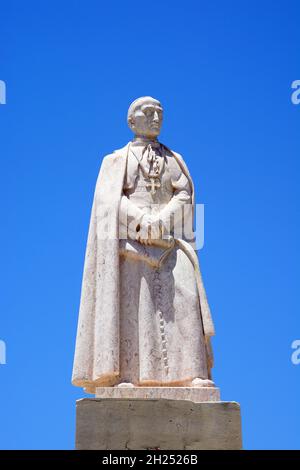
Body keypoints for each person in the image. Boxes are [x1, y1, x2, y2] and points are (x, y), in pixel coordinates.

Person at [72, 96, 215, 394]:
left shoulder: (175, 160)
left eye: (160, 113)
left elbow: (184, 194)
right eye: (147, 112)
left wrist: (161, 221)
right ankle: (126, 373)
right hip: (131, 245)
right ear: (131, 121)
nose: (155, 118)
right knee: (132, 307)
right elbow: (108, 202)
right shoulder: (113, 161)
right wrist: (141, 222)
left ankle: (193, 373)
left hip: (170, 243)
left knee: (186, 299)